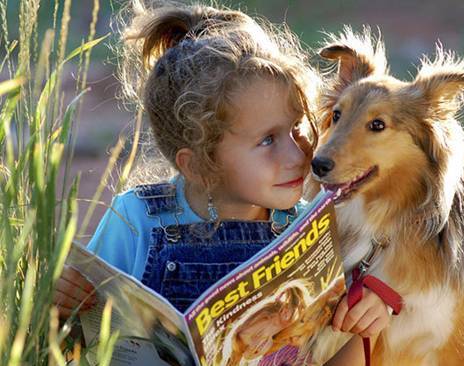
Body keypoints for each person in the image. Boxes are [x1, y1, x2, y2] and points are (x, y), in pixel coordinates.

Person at [53, 2, 390, 364]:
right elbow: (71, 338)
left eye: (296, 128)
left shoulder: (311, 232)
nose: (298, 155)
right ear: (198, 164)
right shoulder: (136, 218)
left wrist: (365, 323)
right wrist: (59, 305)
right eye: (267, 140)